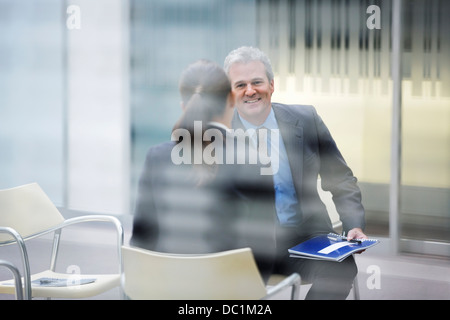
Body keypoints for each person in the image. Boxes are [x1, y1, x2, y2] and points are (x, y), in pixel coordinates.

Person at [224, 46, 368, 299]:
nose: (250, 91)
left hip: (305, 239)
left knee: (340, 269)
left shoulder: (306, 119)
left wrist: (353, 225)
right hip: (246, 249)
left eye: (257, 82)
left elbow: (340, 178)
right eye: (240, 85)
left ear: (271, 84)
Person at [130, 60, 276, 278]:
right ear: (231, 99)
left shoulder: (157, 157)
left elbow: (141, 243)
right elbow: (265, 257)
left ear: (184, 106)